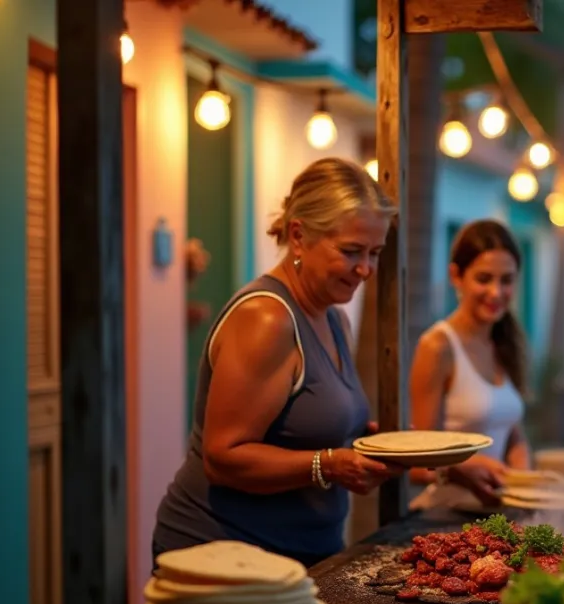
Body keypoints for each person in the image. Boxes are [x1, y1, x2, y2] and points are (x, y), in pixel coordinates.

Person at [152, 158, 401, 568]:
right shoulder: (266, 319)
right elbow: (223, 457)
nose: (366, 270)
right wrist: (332, 464)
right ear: (298, 235)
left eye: (374, 253)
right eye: (351, 251)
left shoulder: (334, 317)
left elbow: (306, 426)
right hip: (225, 554)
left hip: (302, 554)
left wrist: (369, 442)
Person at [406, 219, 531, 510]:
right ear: (456, 276)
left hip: (497, 515)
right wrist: (465, 466)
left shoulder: (504, 341)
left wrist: (526, 480)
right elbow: (417, 463)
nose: (496, 292)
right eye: (484, 279)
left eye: (507, 280)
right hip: (444, 517)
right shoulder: (437, 346)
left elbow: (512, 431)